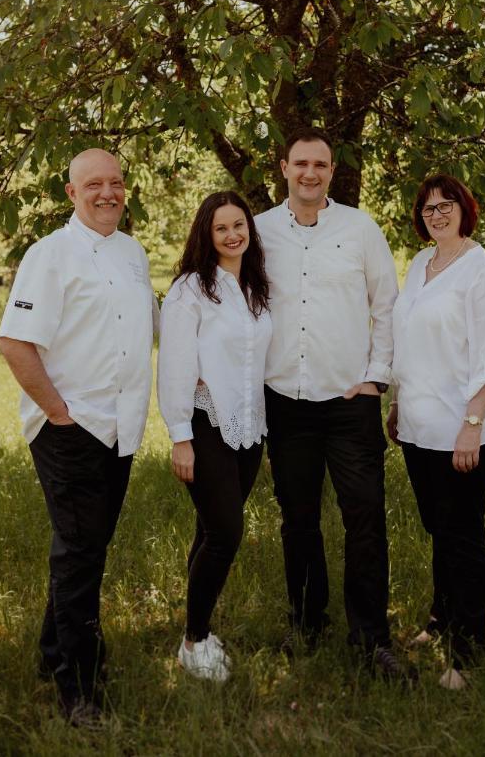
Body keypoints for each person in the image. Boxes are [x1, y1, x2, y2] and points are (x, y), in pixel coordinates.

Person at [0, 148, 157, 726]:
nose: (107, 193)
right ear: (71, 193)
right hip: (71, 428)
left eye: (116, 182)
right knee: (81, 554)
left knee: (84, 548)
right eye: (94, 184)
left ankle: (51, 655)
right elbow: (16, 342)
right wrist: (59, 413)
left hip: (120, 427)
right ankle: (79, 688)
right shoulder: (50, 255)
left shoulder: (133, 253)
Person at [255, 128, 413, 681]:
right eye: (301, 163)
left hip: (350, 401)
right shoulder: (257, 232)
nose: (310, 173)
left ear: (330, 171)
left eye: (320, 164)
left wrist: (376, 378)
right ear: (284, 168)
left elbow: (386, 305)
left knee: (365, 517)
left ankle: (372, 638)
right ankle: (307, 624)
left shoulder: (360, 229)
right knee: (297, 520)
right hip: (286, 401)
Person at [388, 173, 485, 691]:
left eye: (446, 205)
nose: (437, 214)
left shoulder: (482, 271)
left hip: (464, 428)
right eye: (429, 207)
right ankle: (441, 619)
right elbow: (410, 341)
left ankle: (468, 651)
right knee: (438, 527)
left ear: (465, 210)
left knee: (462, 535)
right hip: (418, 425)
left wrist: (472, 426)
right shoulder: (420, 264)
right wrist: (397, 403)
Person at [158, 191, 272, 682]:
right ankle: (193, 642)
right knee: (225, 535)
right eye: (221, 227)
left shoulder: (256, 286)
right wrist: (180, 436)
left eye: (239, 225)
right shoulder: (190, 289)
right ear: (206, 234)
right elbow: (176, 366)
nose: (232, 234)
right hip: (205, 424)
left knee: (209, 531)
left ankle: (197, 626)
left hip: (249, 427)